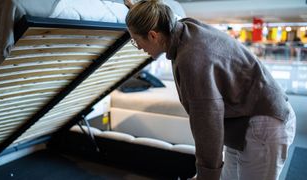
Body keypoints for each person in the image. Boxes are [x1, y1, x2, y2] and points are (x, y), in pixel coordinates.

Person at [124, 0, 296, 179]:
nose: (139, 48)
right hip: (244, 121)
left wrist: (205, 175)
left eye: (136, 42)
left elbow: (207, 125)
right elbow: (163, 14)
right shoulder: (186, 27)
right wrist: (138, 9)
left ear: (153, 35)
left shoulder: (190, 59)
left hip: (264, 123)